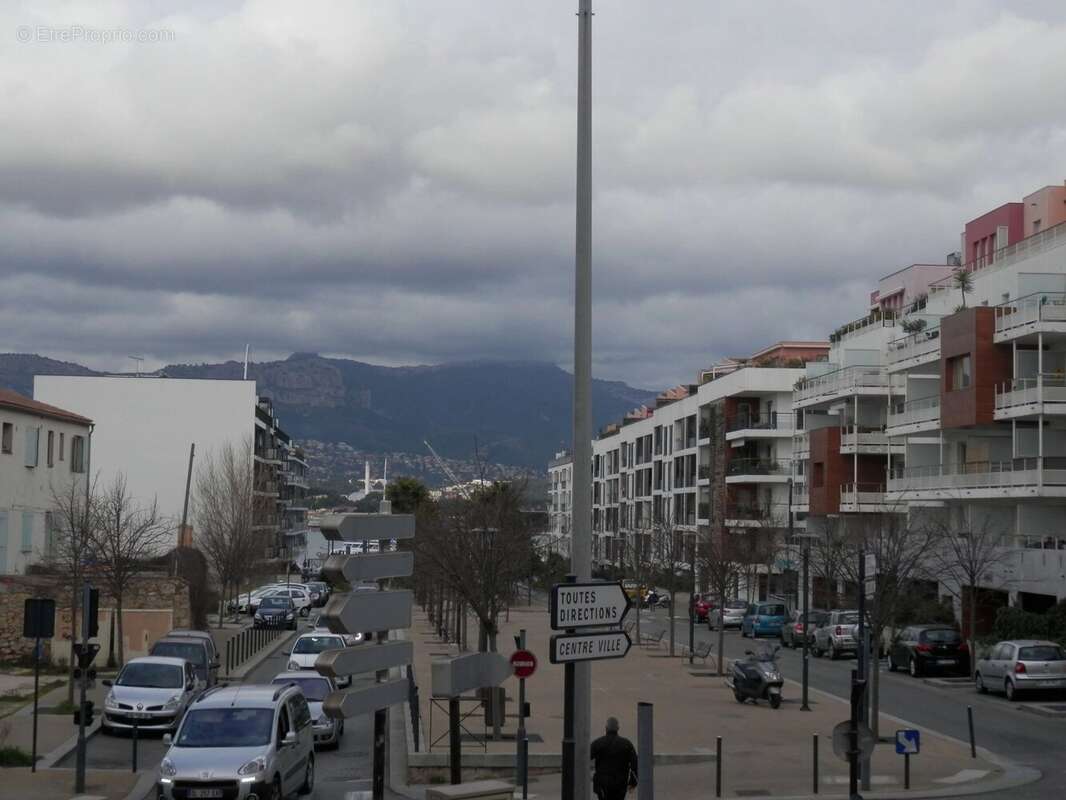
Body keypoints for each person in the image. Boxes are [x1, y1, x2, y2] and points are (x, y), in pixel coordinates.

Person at [590, 717, 638, 799]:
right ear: (618, 729)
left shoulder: (597, 743)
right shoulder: (627, 744)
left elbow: (584, 758)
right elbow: (635, 764)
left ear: (606, 728)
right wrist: (632, 783)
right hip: (620, 784)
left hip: (602, 784)